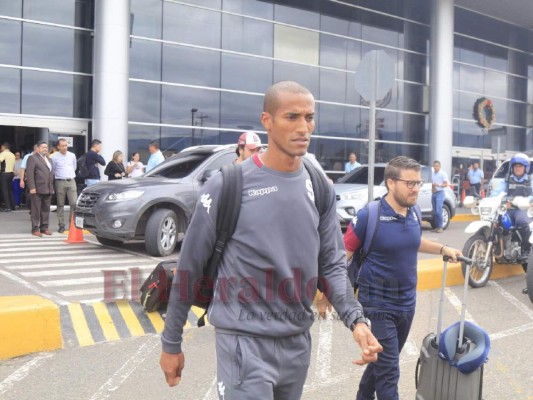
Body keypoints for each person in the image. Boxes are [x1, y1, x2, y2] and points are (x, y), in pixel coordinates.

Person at [160, 81, 383, 399]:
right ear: (267, 121)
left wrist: (357, 321)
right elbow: (189, 266)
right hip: (243, 343)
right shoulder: (228, 184)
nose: (303, 127)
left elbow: (331, 265)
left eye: (309, 117)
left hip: (296, 343)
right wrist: (171, 343)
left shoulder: (317, 183)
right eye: (291, 117)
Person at [344, 156, 462, 400]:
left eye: (418, 183)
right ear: (390, 183)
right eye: (410, 183)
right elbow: (342, 255)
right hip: (377, 305)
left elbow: (413, 241)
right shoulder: (370, 215)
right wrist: (327, 292)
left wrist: (442, 249)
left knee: (383, 361)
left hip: (407, 303)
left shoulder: (415, 212)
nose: (416, 189)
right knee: (389, 373)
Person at [490, 153, 532, 260]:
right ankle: (498, 246)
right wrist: (490, 199)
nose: (517, 168)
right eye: (515, 166)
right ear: (512, 167)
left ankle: (526, 249)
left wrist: (528, 201)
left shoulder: (530, 181)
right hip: (507, 209)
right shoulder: (508, 180)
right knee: (495, 221)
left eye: (520, 166)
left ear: (525, 168)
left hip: (522, 209)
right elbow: (497, 191)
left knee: (522, 221)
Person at [26, 141, 54, 237]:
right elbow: (29, 174)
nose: (45, 149)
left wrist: (52, 187)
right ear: (37, 148)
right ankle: (35, 228)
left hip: (48, 188)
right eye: (43, 147)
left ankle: (44, 227)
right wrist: (32, 187)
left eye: (46, 147)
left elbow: (51, 174)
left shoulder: (49, 160)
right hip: (37, 188)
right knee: (36, 210)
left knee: (46, 209)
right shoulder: (32, 158)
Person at [51, 138, 78, 233]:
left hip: (71, 181)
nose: (64, 147)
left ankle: (72, 224)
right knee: (60, 204)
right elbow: (53, 170)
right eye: (62, 146)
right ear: (58, 147)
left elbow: (74, 167)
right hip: (60, 181)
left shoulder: (72, 155)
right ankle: (61, 225)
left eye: (66, 145)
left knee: (74, 203)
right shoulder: (54, 157)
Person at [431, 160, 449, 233]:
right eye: (434, 166)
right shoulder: (433, 174)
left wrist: (439, 185)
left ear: (440, 166)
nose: (435, 167)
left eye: (437, 166)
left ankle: (441, 227)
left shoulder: (443, 174)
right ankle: (437, 227)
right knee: (435, 211)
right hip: (434, 193)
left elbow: (446, 184)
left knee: (439, 210)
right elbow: (432, 183)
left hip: (440, 193)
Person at [0, 142, 16, 212]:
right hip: (11, 173)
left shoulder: (3, 154)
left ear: (4, 147)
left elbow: (0, 160)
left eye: (1, 147)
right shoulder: (12, 154)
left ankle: (7, 207)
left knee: (4, 190)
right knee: (10, 190)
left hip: (4, 173)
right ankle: (13, 205)